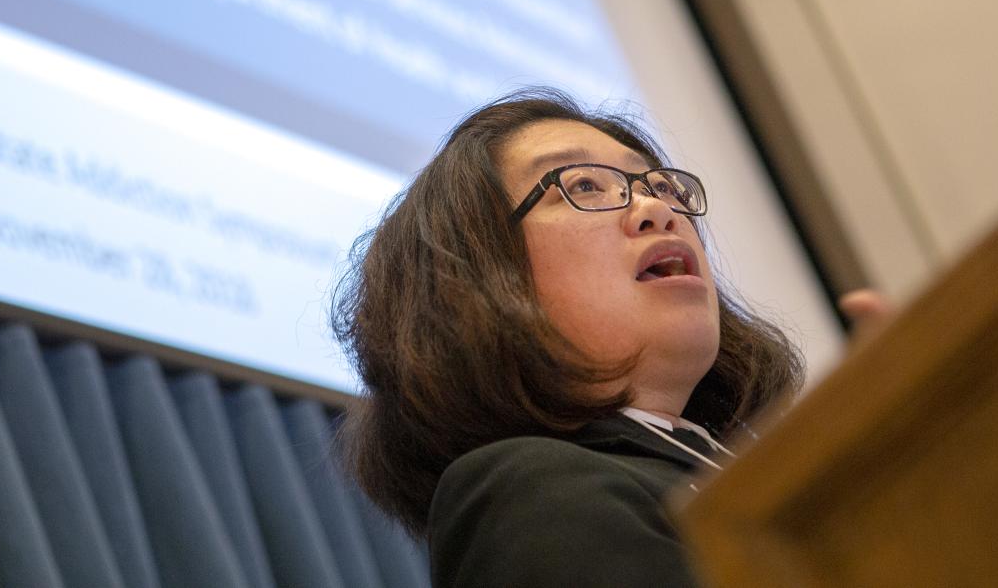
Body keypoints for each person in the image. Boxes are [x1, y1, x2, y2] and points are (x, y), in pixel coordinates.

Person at [331, 89, 806, 587]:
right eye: (583, 186)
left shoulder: (745, 469)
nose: (655, 209)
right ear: (476, 280)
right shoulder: (537, 491)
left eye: (662, 187)